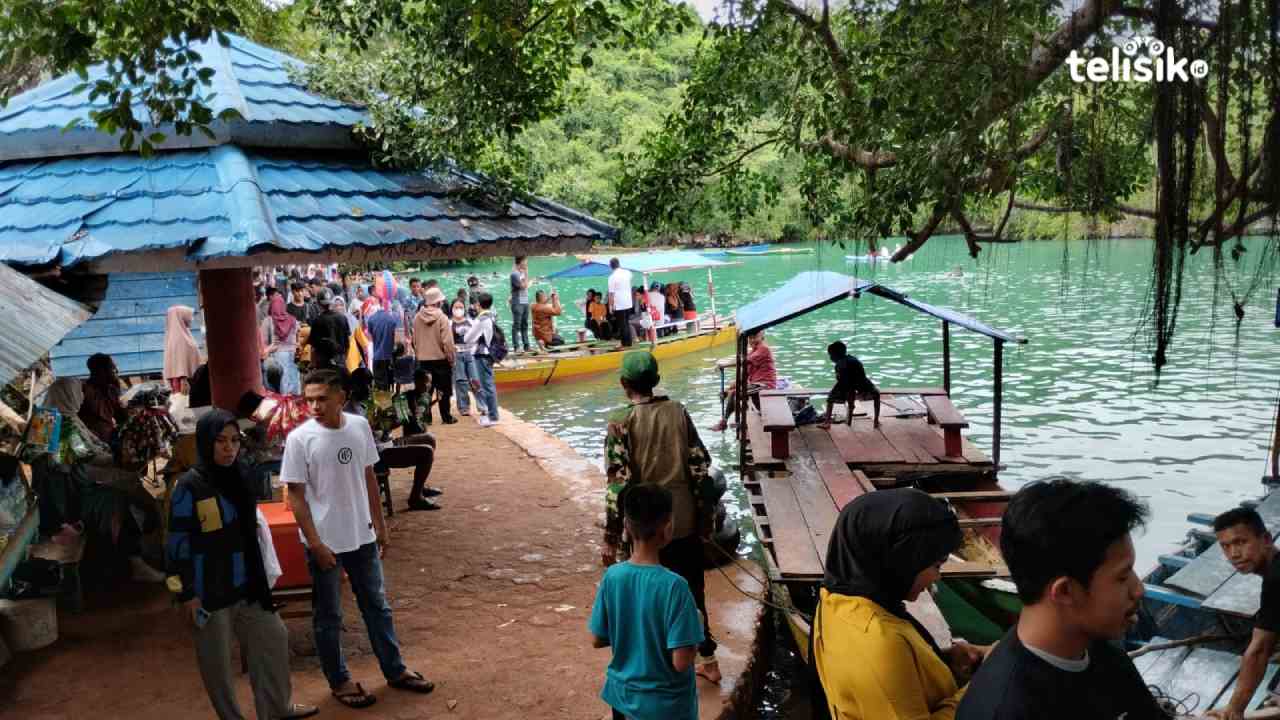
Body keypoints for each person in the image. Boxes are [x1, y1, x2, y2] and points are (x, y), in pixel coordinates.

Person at [282, 369, 435, 708]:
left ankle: (394, 670)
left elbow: (368, 475)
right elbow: (295, 497)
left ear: (342, 396)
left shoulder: (359, 426)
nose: (315, 406)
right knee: (329, 616)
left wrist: (380, 525)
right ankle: (339, 681)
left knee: (377, 607)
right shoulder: (299, 439)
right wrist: (316, 544)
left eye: (322, 399)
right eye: (310, 400)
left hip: (362, 536)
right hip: (325, 543)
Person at [957, 479, 1163, 720]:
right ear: (1065, 591)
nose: (1138, 590)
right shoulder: (1004, 710)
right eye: (1123, 576)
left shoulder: (1101, 654)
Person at [166, 410, 318, 720]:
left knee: (274, 641)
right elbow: (174, 548)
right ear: (206, 442)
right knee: (217, 667)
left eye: (235, 441)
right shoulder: (189, 487)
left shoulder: (241, 477)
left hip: (248, 586)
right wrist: (185, 594)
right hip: (208, 593)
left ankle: (277, 709)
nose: (229, 448)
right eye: (221, 441)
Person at [602, 351, 721, 684]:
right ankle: (708, 661)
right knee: (691, 593)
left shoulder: (619, 421)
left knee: (642, 597)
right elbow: (700, 469)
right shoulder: (678, 412)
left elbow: (618, 486)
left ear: (625, 384)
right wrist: (706, 518)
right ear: (655, 381)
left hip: (642, 526)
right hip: (681, 522)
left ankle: (655, 666)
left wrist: (611, 538)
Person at [813, 488, 982, 720]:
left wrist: (940, 660)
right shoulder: (878, 641)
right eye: (936, 566)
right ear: (901, 561)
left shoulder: (836, 599)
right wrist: (985, 683)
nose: (937, 577)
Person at [590, 483, 704, 720]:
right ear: (668, 528)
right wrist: (697, 624)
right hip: (666, 708)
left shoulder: (612, 576)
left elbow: (597, 638)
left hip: (621, 699)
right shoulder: (675, 586)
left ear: (626, 527)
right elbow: (681, 662)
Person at [36, 377, 165, 584]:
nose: (81, 397)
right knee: (123, 498)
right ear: (68, 395)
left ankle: (141, 551)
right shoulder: (61, 423)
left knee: (128, 486)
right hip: (69, 496)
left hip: (62, 488)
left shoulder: (47, 417)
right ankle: (135, 560)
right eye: (77, 392)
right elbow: (86, 458)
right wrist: (122, 458)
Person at [1207, 508, 1280, 720]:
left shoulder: (1276, 579)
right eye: (1225, 546)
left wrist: (1234, 709)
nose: (1233, 554)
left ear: (1266, 539)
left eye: (1240, 542)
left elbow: (1259, 651)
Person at [711, 330, 777, 432]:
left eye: (755, 337)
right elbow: (743, 376)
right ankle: (725, 422)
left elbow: (743, 361)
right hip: (756, 386)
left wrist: (724, 365)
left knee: (736, 394)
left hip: (765, 386)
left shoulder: (764, 349)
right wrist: (727, 390)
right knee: (733, 392)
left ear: (762, 337)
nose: (752, 340)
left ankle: (740, 422)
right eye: (750, 338)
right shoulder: (753, 352)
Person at [411, 287, 457, 425]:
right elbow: (447, 342)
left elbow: (414, 340)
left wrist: (419, 354)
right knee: (443, 390)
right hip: (440, 359)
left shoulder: (417, 317)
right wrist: (451, 358)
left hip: (423, 360)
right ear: (438, 302)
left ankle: (426, 418)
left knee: (425, 391)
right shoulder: (442, 317)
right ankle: (446, 416)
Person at [820, 341, 880, 428]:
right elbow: (862, 375)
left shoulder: (839, 365)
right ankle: (876, 421)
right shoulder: (854, 359)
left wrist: (846, 392)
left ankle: (827, 421)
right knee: (877, 394)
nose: (830, 357)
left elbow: (840, 380)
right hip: (862, 384)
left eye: (830, 355)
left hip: (847, 386)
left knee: (830, 399)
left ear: (835, 355)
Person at [464, 292, 501, 427]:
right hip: (489, 354)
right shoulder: (492, 315)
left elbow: (467, 338)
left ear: (478, 305)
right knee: (489, 384)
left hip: (482, 354)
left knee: (487, 386)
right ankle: (493, 415)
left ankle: (493, 417)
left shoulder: (481, 319)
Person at [80, 353, 128, 444]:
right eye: (112, 368)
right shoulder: (84, 391)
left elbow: (121, 417)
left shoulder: (111, 389)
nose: (117, 371)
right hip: (93, 443)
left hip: (109, 440)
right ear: (102, 371)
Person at [261, 293, 301, 395]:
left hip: (276, 357)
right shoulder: (293, 320)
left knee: (279, 388)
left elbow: (263, 344)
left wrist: (270, 348)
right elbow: (297, 340)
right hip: (292, 357)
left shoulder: (268, 320)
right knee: (293, 388)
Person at [450, 298, 481, 417]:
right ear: (452, 309)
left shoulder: (471, 322)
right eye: (456, 307)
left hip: (470, 353)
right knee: (461, 381)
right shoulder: (448, 322)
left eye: (460, 307)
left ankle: (481, 405)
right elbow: (447, 340)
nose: (458, 310)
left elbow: (477, 337)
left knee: (475, 379)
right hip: (456, 354)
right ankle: (464, 407)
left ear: (464, 308)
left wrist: (474, 350)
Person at [307, 289, 350, 372]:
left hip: (323, 364)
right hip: (340, 361)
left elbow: (313, 347)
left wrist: (312, 364)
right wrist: (344, 359)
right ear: (332, 302)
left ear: (319, 304)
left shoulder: (317, 320)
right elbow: (347, 343)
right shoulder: (343, 318)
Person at [163, 305, 202, 394]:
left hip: (178, 383)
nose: (191, 320)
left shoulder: (172, 336)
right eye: (188, 317)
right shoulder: (181, 338)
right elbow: (182, 365)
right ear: (180, 318)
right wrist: (184, 379)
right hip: (184, 384)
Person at [366, 300, 400, 390]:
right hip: (391, 357)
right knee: (391, 385)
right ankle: (390, 403)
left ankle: (383, 404)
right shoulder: (394, 319)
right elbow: (398, 339)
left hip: (377, 356)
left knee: (380, 387)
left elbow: (370, 337)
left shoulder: (372, 318)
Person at [606, 258, 635, 347]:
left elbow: (611, 294)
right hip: (628, 302)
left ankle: (625, 344)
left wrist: (610, 307)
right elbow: (631, 277)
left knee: (622, 325)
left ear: (610, 266)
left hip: (619, 304)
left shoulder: (611, 277)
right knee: (626, 322)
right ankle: (628, 342)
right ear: (619, 264)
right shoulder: (627, 273)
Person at [509, 256, 532, 353]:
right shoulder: (514, 274)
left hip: (525, 301)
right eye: (525, 261)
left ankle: (527, 346)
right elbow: (523, 286)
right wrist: (527, 278)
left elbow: (525, 285)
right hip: (517, 302)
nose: (527, 263)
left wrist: (526, 274)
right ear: (521, 261)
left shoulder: (522, 273)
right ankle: (516, 347)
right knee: (517, 325)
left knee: (525, 324)